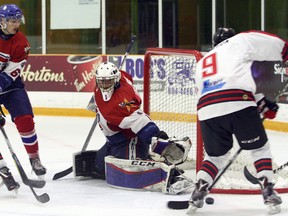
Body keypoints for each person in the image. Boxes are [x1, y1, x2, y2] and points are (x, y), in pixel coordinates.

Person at [188, 27, 288, 214]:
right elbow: (276, 46)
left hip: (206, 109)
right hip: (238, 101)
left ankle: (198, 192)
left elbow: (224, 84)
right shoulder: (240, 42)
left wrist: (261, 103)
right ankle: (268, 192)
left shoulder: (202, 62)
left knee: (215, 157)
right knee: (259, 149)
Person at [73, 61, 193, 194]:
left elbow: (139, 119)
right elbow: (125, 77)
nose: (105, 85)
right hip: (113, 141)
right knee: (99, 168)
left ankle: (171, 174)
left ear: (116, 79)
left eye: (108, 81)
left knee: (128, 173)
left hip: (130, 140)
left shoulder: (119, 103)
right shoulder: (122, 77)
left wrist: (156, 137)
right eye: (102, 81)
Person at [0, 4, 46, 190]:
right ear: (2, 21)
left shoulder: (21, 42)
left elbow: (11, 73)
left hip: (11, 87)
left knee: (26, 119)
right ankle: (2, 168)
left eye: (18, 20)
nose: (17, 24)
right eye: (13, 20)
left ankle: (34, 158)